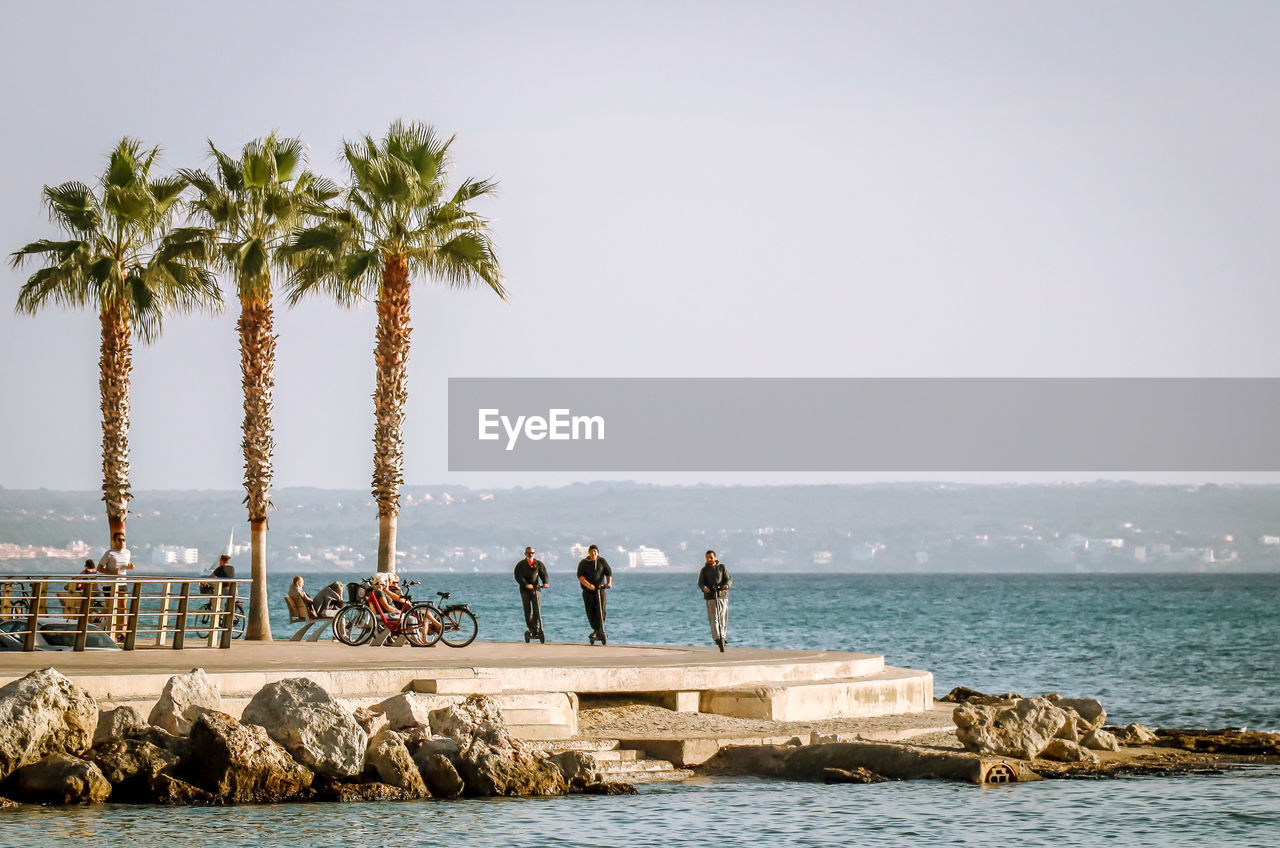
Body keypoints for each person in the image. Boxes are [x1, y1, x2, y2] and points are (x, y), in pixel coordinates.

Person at [576, 544, 612, 645]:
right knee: (591, 611)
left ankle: (600, 629)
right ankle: (596, 630)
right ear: (589, 553)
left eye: (595, 552)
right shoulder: (583, 563)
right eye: (591, 552)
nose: (593, 553)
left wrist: (609, 583)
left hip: (600, 590)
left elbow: (608, 573)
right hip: (588, 591)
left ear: (598, 553)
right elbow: (580, 576)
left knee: (601, 609)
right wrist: (588, 585)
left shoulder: (602, 562)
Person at [697, 550, 732, 651]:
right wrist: (704, 588)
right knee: (714, 618)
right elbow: (700, 583)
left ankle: (723, 637)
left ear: (715, 557)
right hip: (710, 596)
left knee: (723, 618)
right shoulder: (704, 570)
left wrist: (726, 585)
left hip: (722, 596)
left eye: (711, 557)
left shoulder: (722, 567)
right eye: (707, 557)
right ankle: (716, 637)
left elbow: (728, 579)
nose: (709, 559)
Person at [514, 546, 549, 643]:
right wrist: (525, 584)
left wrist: (545, 582)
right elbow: (518, 576)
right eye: (529, 553)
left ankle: (537, 629)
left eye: (532, 553)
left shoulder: (538, 564)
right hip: (525, 590)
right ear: (525, 554)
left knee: (537, 609)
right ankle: (531, 629)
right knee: (528, 610)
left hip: (536, 589)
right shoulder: (521, 565)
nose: (530, 555)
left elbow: (544, 574)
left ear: (534, 554)